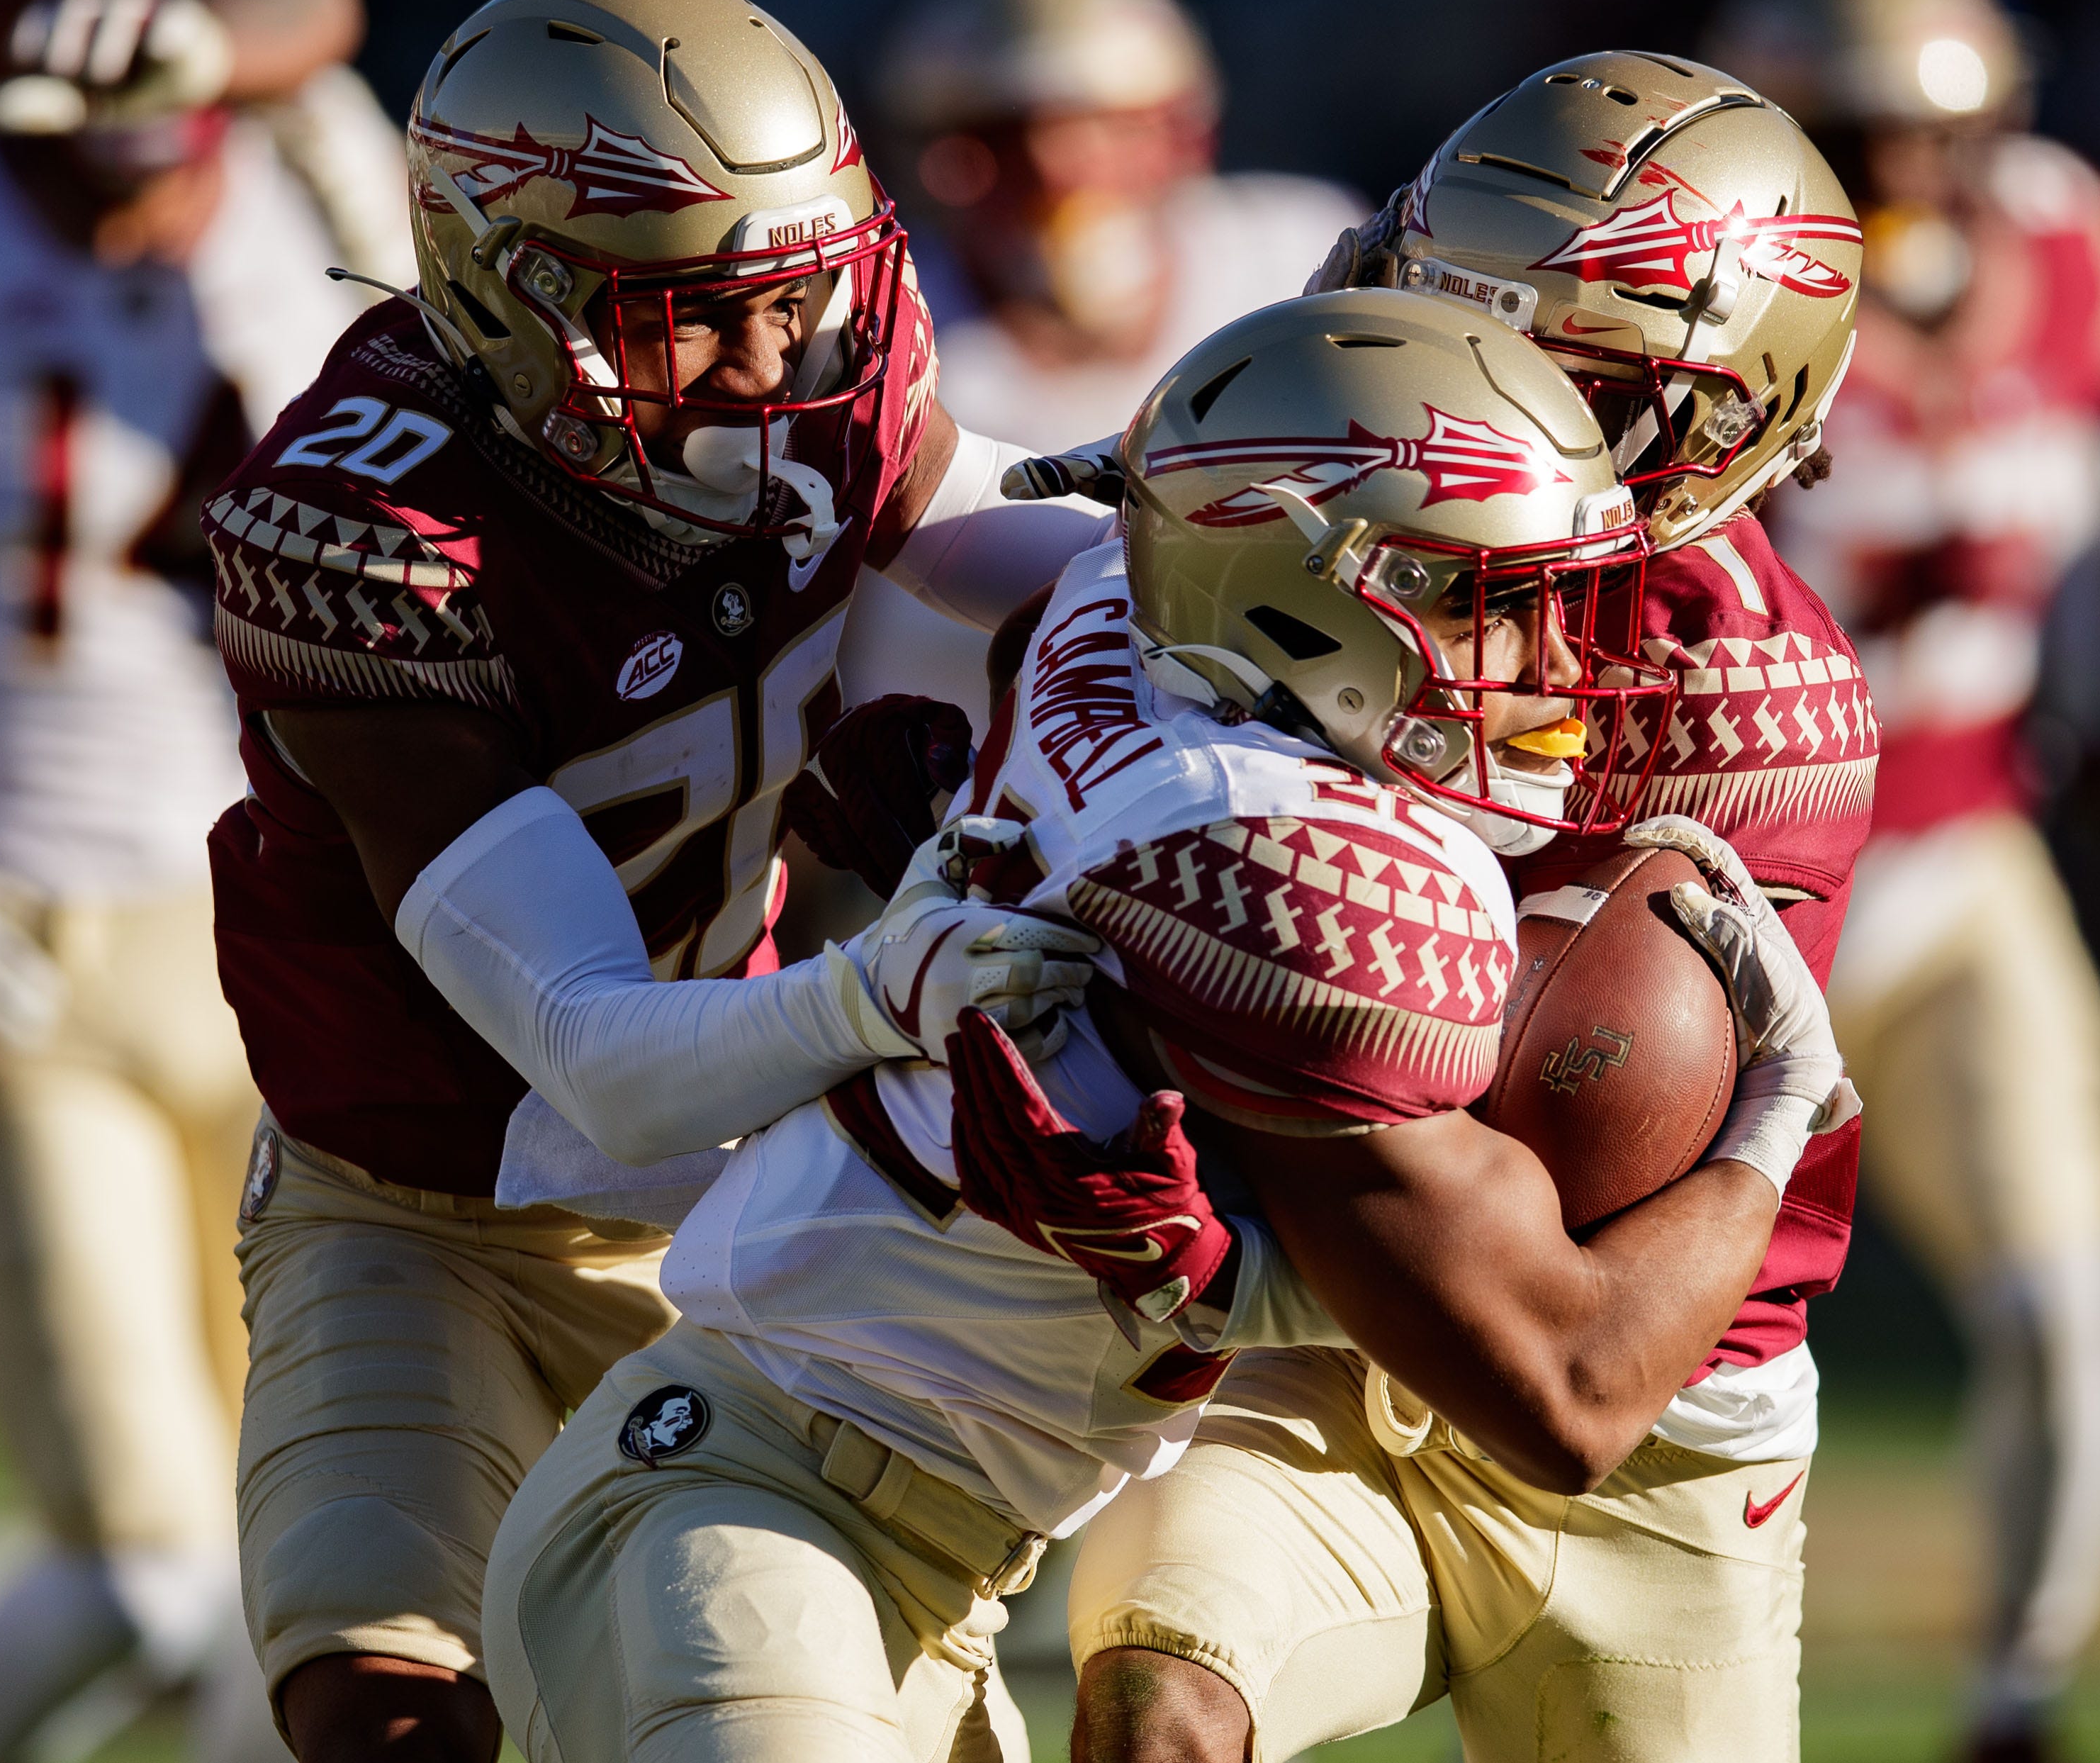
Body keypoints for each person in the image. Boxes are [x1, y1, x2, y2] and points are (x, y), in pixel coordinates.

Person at [476, 282, 1854, 1763]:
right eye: (1489, 602)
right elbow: (1568, 1385)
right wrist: (1779, 1109)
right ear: (1311, 594)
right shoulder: (1310, 874)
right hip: (751, 1510)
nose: (1554, 667)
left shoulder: (1118, 619)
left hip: (890, 1559)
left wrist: (1229, 1281)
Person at [202, 0, 1114, 1763]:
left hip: (740, 1197)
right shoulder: (370, 530)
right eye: (689, 315)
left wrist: (1223, 555)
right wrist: (880, 988)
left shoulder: (811, 373)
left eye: (787, 297)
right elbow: (593, 1054)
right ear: (503, 289)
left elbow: (992, 530)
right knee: (382, 1704)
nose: (770, 367)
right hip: (422, 1203)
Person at [1037, 50, 1874, 1762]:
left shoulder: (1742, 701)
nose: (1488, 395)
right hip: (1332, 1322)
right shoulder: (1323, 489)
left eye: (1570, 370)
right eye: (1450, 316)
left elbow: (1562, 1174)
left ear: (1727, 418)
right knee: (1158, 1699)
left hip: (1649, 1394)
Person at [0, 0, 408, 1756]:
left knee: (307, 1565)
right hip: (21, 927)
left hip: (284, 926)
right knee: (147, 1569)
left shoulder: (314, 176)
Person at [1702, 0, 2100, 1761]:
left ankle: (2013, 1706)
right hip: (1730, 886)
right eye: (1859, 132)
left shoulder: (2075, 247)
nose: (1902, 173)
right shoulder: (1700, 271)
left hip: (1970, 849)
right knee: (1644, 1347)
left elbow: (2095, 493)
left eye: (1932, 133)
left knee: (2066, 1310)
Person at [840, 0, 1359, 727]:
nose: (1061, 179)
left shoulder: (1300, 258)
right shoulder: (875, 333)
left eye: (1109, 137)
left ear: (1187, 137)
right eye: (1000, 144)